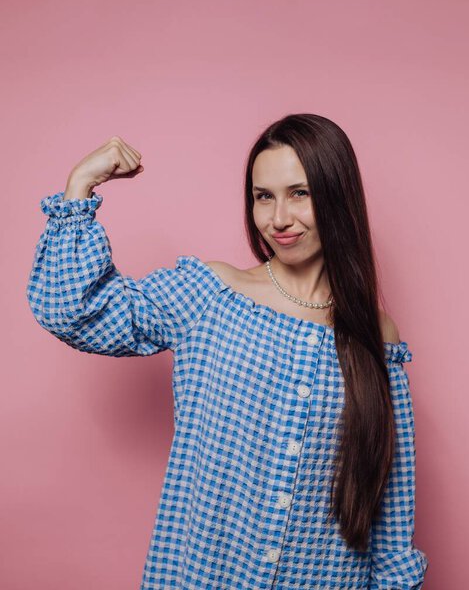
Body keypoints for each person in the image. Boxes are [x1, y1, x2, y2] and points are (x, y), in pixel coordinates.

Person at [26, 114, 428, 589]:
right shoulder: (209, 295)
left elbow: (391, 506)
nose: (279, 218)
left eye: (300, 193)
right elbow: (72, 311)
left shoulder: (376, 336)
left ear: (337, 196)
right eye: (264, 197)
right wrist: (80, 186)